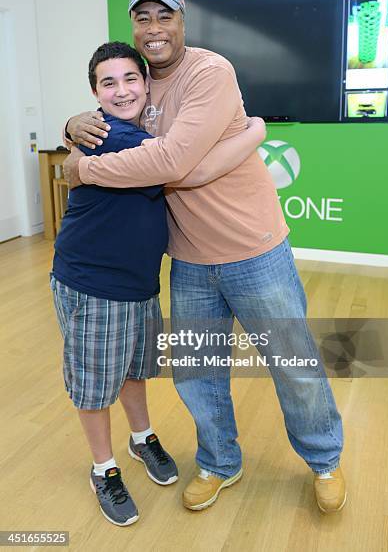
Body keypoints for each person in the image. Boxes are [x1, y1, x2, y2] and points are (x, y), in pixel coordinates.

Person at [63, 0, 346, 515]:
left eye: (162, 17)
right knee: (198, 372)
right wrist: (71, 127)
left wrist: (83, 169)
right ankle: (219, 463)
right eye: (142, 19)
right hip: (189, 260)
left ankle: (324, 460)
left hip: (254, 251)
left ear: (181, 20)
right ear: (134, 29)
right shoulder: (139, 87)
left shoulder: (209, 72)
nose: (153, 29)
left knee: (293, 362)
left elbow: (174, 166)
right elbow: (112, 126)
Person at [53, 40, 264, 527]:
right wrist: (255, 130)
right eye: (109, 82)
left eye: (131, 78)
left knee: (134, 369)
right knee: (93, 385)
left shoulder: (127, 131)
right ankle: (102, 467)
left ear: (147, 85)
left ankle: (141, 436)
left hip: (140, 283)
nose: (122, 89)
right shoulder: (114, 138)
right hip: (91, 284)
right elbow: (187, 166)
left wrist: (69, 130)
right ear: (94, 93)